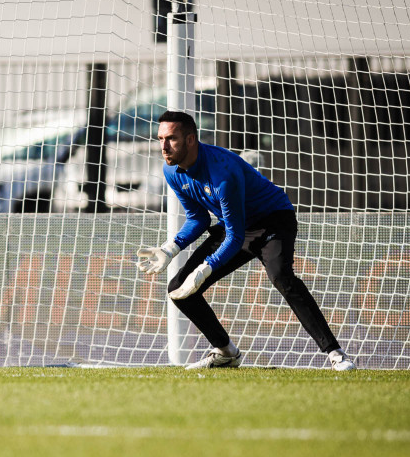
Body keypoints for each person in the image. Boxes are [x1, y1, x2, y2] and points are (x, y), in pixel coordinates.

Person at [136, 110, 356, 370]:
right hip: (237, 227)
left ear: (190, 140)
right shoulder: (172, 171)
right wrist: (170, 249)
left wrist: (207, 268)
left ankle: (335, 354)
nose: (163, 146)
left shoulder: (222, 172)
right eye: (160, 138)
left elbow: (235, 235)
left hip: (273, 220)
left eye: (171, 138)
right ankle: (226, 352)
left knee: (282, 278)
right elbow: (199, 219)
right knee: (178, 289)